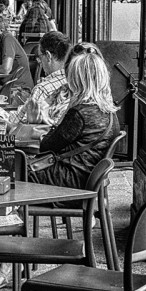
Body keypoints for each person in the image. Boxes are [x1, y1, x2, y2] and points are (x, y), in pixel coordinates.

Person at [29, 44, 120, 190]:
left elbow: (47, 146)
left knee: (15, 169)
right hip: (86, 178)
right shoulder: (109, 112)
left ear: (77, 80)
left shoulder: (79, 113)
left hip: (69, 180)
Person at [7, 31, 72, 130]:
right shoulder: (74, 83)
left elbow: (17, 124)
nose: (39, 62)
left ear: (48, 56)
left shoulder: (42, 89)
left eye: (40, 57)